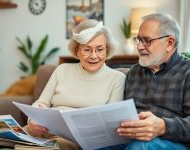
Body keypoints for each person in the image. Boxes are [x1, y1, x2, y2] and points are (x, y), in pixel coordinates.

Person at [102, 13, 190, 150]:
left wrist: (162, 126)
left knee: (142, 145)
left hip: (174, 143)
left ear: (169, 43)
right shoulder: (134, 72)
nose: (139, 47)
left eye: (147, 41)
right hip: (132, 140)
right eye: (138, 40)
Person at [26, 19, 126, 149]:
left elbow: (110, 123)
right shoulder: (62, 70)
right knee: (7, 139)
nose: (94, 56)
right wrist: (32, 121)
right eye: (87, 50)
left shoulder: (117, 78)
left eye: (100, 49)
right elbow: (42, 103)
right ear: (77, 50)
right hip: (45, 130)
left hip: (76, 139)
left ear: (107, 50)